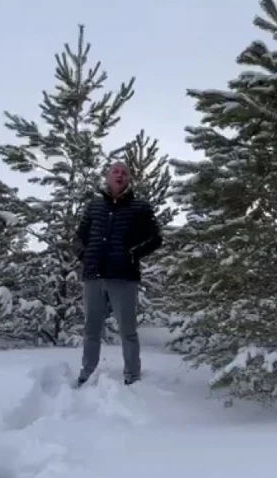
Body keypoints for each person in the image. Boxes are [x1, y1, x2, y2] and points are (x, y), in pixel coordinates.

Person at [75, 161, 163, 386]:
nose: (120, 175)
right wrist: (85, 256)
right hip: (94, 275)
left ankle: (132, 374)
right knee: (91, 328)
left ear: (129, 179)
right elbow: (78, 237)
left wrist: (133, 254)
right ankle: (88, 371)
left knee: (128, 330)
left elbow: (156, 238)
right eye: (115, 171)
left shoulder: (140, 207)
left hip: (124, 276)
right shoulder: (94, 206)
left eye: (124, 172)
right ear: (107, 176)